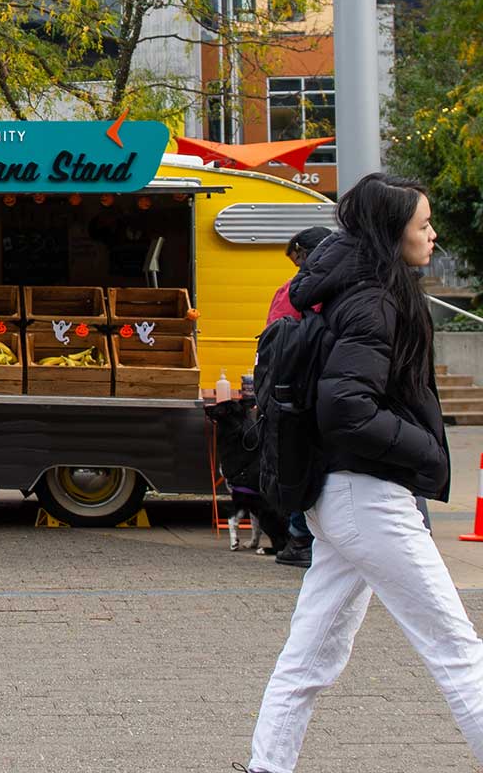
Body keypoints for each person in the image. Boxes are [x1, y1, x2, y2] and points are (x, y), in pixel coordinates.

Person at [240, 173, 483, 773]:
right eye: (422, 225)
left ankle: (267, 766)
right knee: (457, 650)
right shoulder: (377, 300)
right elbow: (347, 408)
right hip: (369, 499)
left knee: (311, 654)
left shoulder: (353, 290)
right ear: (390, 232)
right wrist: (426, 452)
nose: (432, 234)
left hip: (341, 498)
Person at [265, 226, 332, 569]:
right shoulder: (331, 289)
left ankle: (300, 537)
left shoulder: (292, 292)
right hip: (312, 391)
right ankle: (303, 536)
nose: (297, 268)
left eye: (297, 259)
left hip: (291, 392)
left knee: (297, 461)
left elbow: (273, 338)